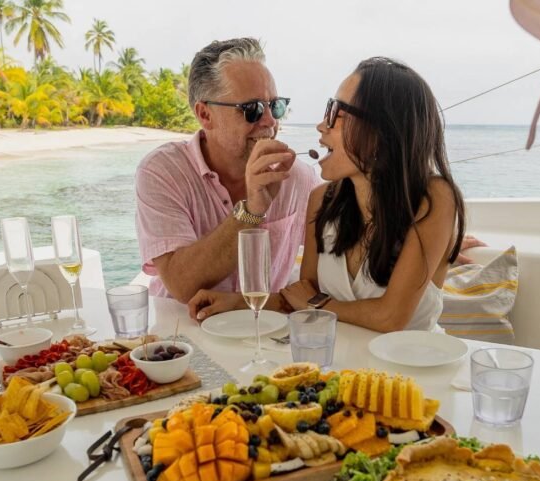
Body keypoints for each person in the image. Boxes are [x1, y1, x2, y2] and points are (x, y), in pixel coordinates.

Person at [189, 57, 466, 333]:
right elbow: (302, 298)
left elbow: (390, 317)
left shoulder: (435, 198)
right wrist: (237, 302)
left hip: (412, 373)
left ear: (382, 130)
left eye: (336, 112)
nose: (322, 125)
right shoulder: (322, 200)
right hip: (340, 369)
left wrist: (317, 304)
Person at [134, 37, 319, 302]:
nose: (270, 121)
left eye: (275, 106)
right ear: (205, 115)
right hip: (182, 334)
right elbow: (182, 286)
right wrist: (252, 211)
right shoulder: (162, 172)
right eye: (252, 109)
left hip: (262, 330)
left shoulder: (298, 178)